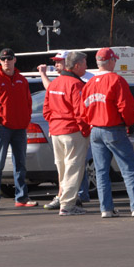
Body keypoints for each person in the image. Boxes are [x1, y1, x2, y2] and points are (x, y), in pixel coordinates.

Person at [81, 47, 134, 218]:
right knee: (129, 169)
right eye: (114, 60)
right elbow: (125, 106)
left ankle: (106, 209)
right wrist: (131, 124)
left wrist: (87, 127)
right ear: (110, 61)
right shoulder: (116, 80)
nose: (115, 62)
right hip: (113, 128)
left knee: (101, 172)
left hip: (95, 130)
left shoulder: (89, 84)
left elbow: (83, 110)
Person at [38, 50, 93, 209]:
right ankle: (68, 205)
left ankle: (65, 200)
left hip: (56, 131)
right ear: (76, 65)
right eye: (84, 64)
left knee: (63, 168)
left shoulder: (55, 83)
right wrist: (85, 131)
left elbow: (46, 109)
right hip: (72, 131)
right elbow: (80, 112)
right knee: (73, 168)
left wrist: (53, 124)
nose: (86, 67)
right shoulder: (76, 84)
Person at [0, 48, 37, 210]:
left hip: (20, 128)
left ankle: (21, 197)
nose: (6, 61)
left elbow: (29, 102)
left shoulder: (22, 79)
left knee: (20, 164)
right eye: (3, 59)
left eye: (9, 58)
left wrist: (26, 120)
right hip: (3, 128)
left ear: (15, 60)